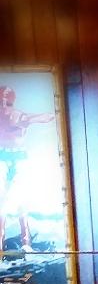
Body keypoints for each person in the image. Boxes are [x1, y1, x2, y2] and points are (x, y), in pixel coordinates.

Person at [0, 86, 54, 257]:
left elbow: (47, 117)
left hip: (19, 158)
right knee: (1, 203)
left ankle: (26, 243)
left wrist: (28, 120)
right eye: (1, 101)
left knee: (21, 202)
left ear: (11, 101)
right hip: (2, 157)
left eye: (6, 102)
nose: (3, 105)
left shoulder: (18, 115)